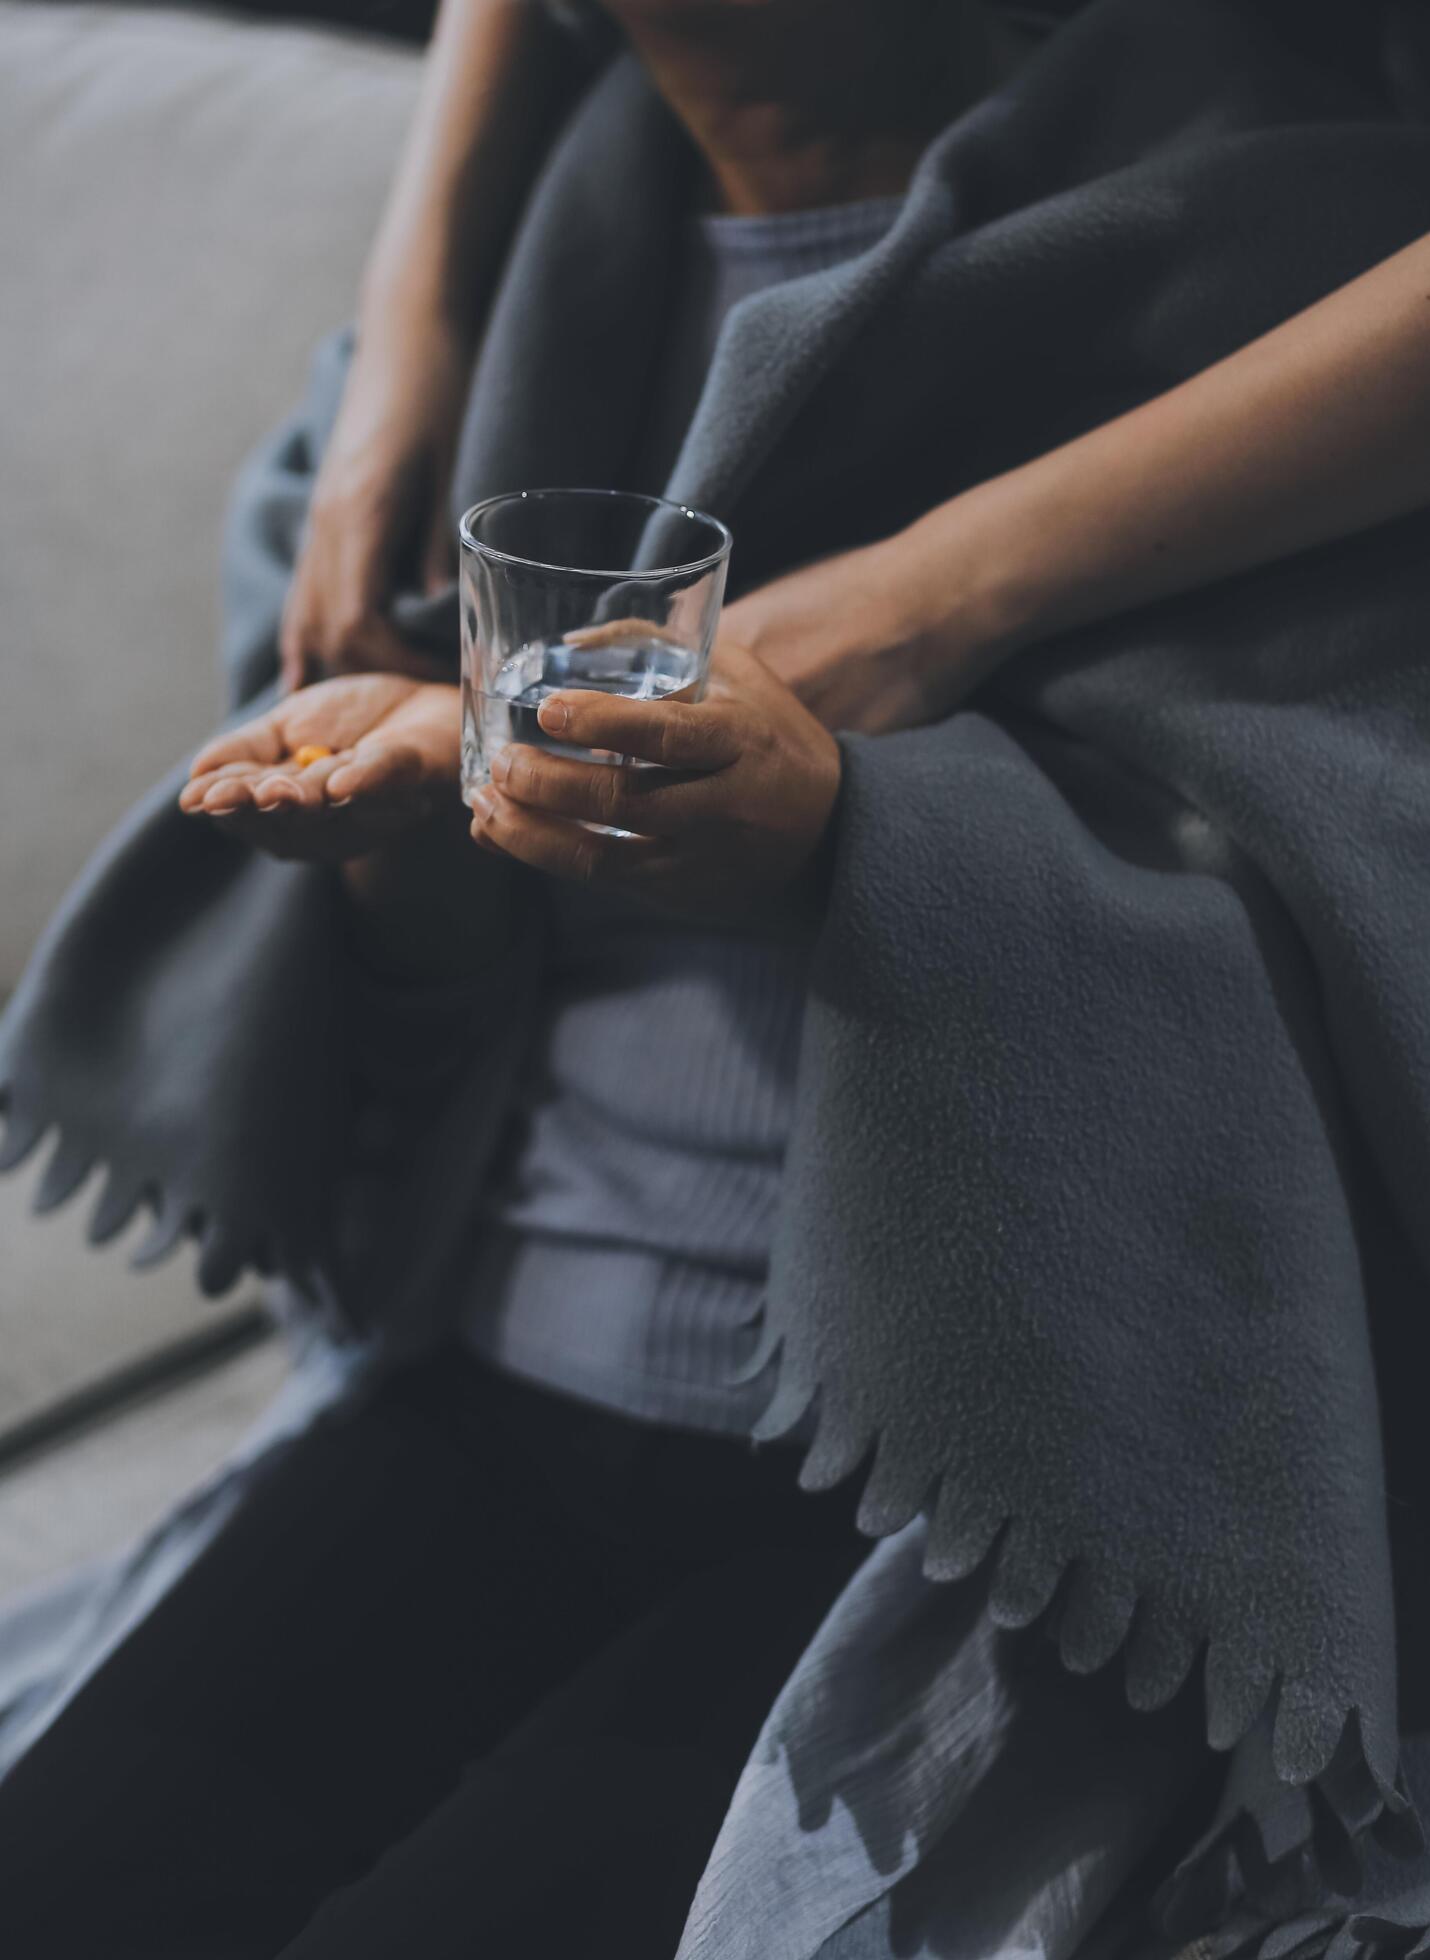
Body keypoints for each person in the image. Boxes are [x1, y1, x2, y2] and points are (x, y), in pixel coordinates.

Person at [5, 3, 1430, 1957]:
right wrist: (416, 814)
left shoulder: (1245, 253)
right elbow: (425, 1030)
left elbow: (1330, 931)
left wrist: (849, 829)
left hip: (929, 1496)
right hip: (500, 1378)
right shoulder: (524, 310)